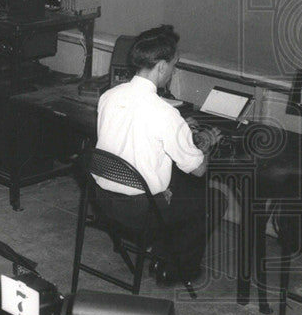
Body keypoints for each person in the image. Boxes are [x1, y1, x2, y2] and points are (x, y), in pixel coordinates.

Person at [94, 25, 226, 286]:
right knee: (213, 199)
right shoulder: (165, 114)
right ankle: (176, 270)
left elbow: (132, 136)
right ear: (163, 67)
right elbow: (198, 169)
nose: (174, 71)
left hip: (103, 200)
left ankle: (163, 252)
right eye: (174, 65)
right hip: (140, 211)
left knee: (176, 185)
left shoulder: (109, 96)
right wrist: (206, 143)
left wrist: (178, 130)